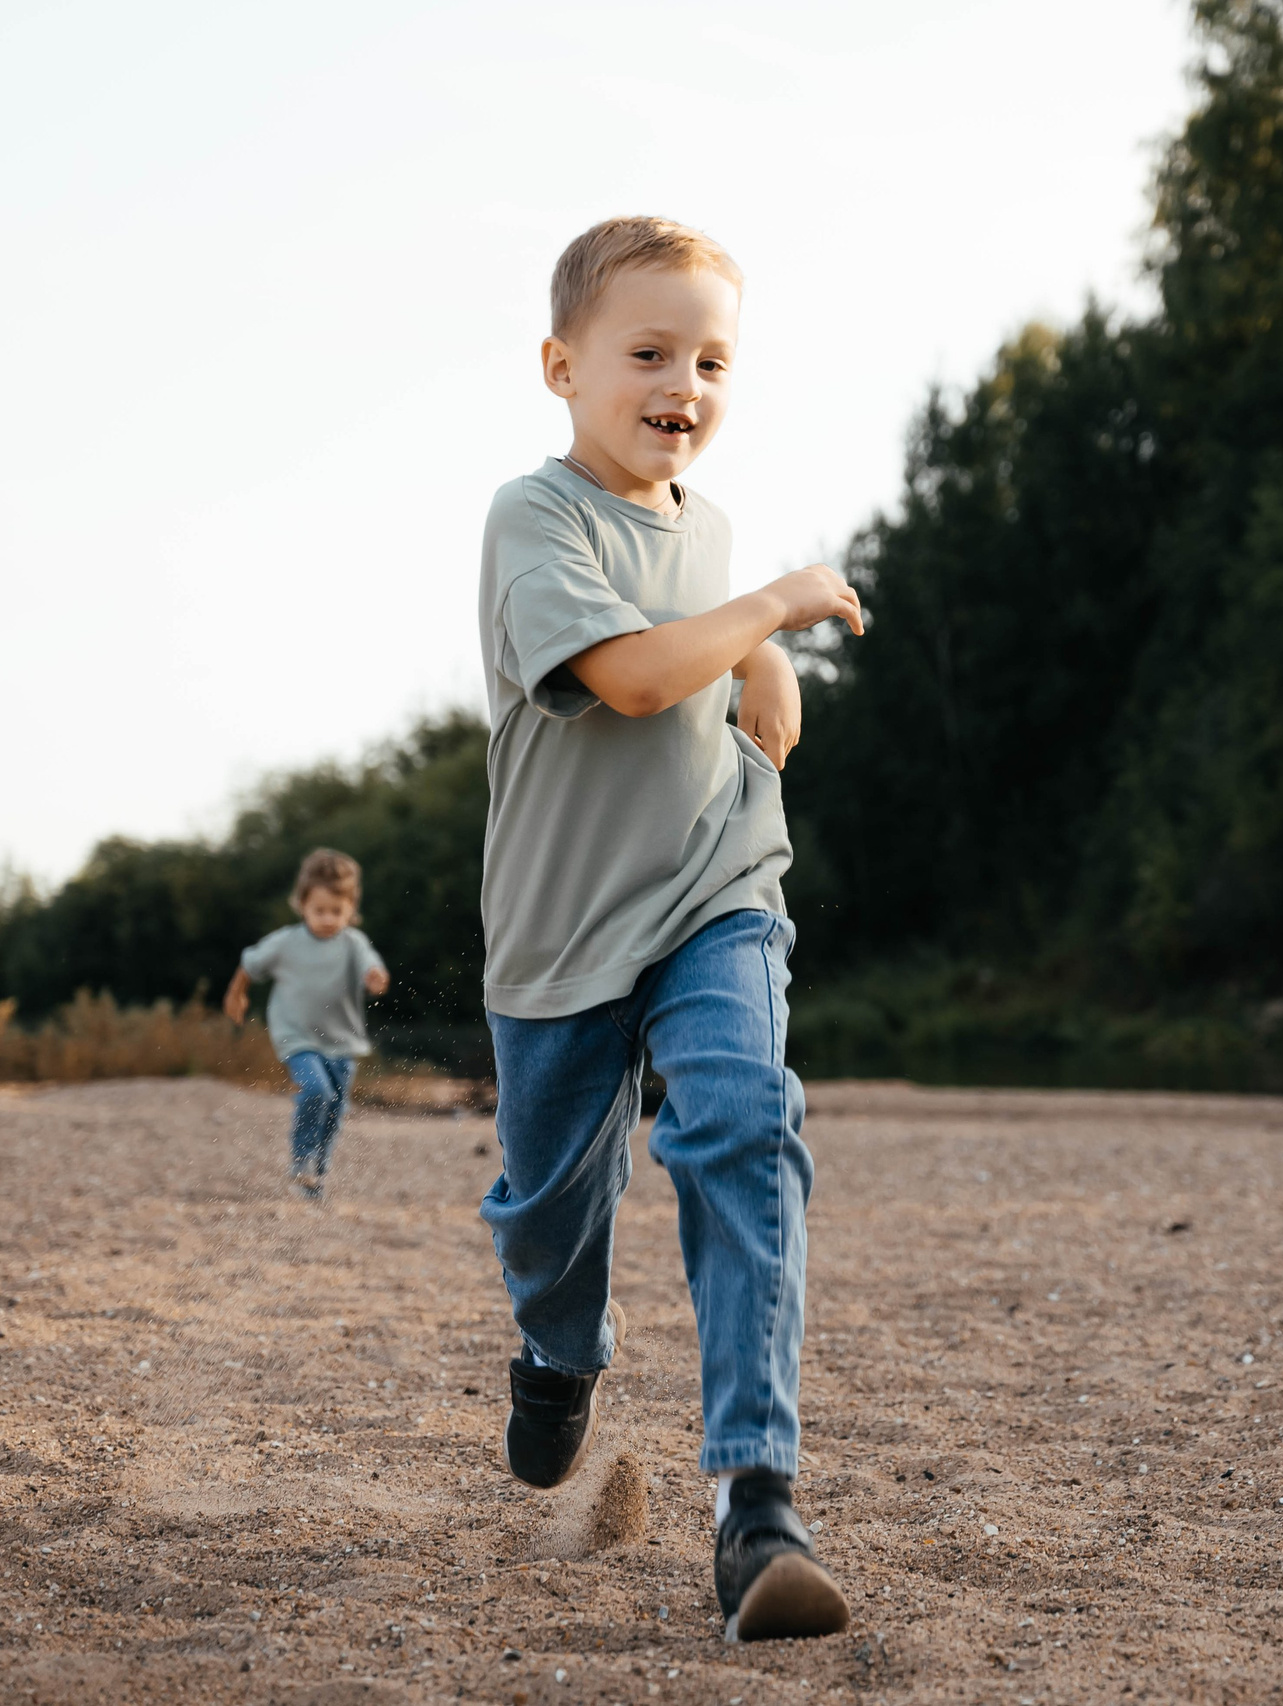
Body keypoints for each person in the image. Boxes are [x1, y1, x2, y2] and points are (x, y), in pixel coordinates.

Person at [475, 216, 865, 1643]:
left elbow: (689, 616)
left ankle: (755, 1506)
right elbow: (635, 675)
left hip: (717, 892)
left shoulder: (701, 526)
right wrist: (771, 613)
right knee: (545, 1223)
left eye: (710, 358)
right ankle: (556, 1348)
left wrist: (753, 640)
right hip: (564, 934)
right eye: (648, 352)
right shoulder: (536, 517)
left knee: (746, 1122)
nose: (681, 382)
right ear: (561, 365)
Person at [224, 848, 390, 1200]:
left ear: (351, 909)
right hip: (296, 1036)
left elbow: (371, 967)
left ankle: (317, 1175)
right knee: (317, 1091)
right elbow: (249, 965)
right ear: (301, 905)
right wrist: (236, 994)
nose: (328, 918)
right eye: (319, 910)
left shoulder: (353, 943)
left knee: (335, 1109)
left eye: (337, 911)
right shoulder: (285, 943)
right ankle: (300, 1159)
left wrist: (376, 978)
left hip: (342, 1041)